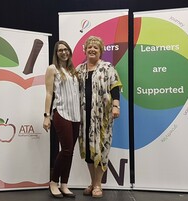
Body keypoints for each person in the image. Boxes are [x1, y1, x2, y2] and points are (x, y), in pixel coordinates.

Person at [76, 36, 122, 198]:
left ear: (100, 51)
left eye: (96, 47)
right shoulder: (79, 69)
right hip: (84, 117)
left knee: (101, 150)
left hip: (102, 117)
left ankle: (98, 185)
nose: (92, 49)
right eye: (90, 47)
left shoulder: (107, 67)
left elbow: (115, 87)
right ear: (85, 50)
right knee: (89, 152)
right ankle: (93, 182)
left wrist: (116, 106)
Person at [43, 40, 80, 198]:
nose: (64, 52)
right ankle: (53, 182)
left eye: (66, 50)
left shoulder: (73, 70)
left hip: (76, 115)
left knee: (70, 152)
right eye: (60, 50)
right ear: (56, 53)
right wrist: (46, 116)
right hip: (61, 112)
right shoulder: (53, 69)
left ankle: (64, 184)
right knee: (65, 150)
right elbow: (49, 93)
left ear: (70, 52)